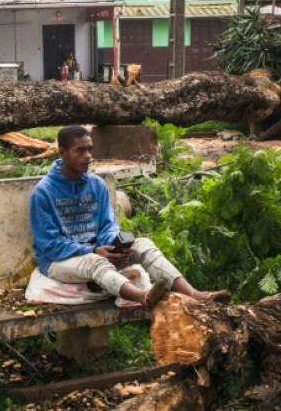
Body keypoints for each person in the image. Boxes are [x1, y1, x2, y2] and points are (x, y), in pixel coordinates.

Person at [29, 126, 231, 309]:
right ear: (63, 153)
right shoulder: (43, 192)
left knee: (144, 245)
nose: (88, 156)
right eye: (80, 151)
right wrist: (93, 250)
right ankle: (144, 297)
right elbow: (50, 245)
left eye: (90, 149)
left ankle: (193, 294)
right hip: (58, 262)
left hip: (97, 252)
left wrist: (114, 246)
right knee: (95, 262)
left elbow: (108, 225)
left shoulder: (96, 185)